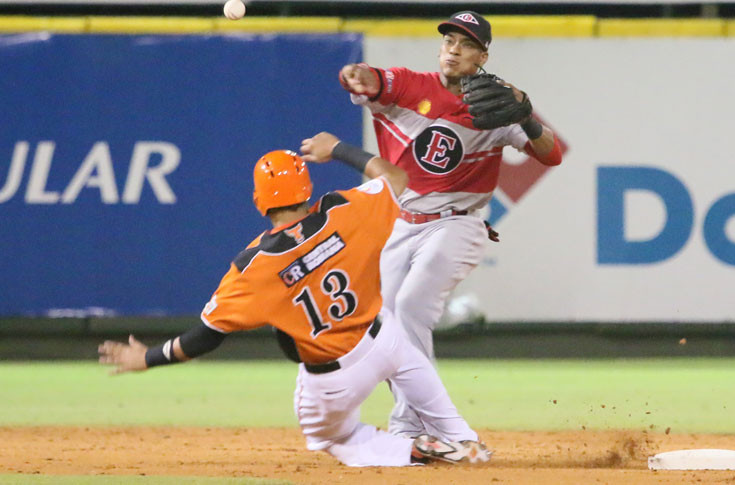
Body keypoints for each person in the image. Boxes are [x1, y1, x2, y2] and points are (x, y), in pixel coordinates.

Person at [97, 132, 491, 467]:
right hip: (384, 340)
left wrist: (148, 358)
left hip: (335, 378)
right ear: (307, 189)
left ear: (258, 201)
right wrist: (337, 149)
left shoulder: (255, 266)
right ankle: (461, 437)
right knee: (403, 352)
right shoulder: (345, 209)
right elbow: (395, 177)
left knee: (333, 438)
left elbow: (206, 336)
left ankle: (413, 450)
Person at [338, 11, 563, 437]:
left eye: (466, 44)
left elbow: (551, 154)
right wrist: (355, 74)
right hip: (401, 224)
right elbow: (369, 79)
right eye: (449, 41)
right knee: (384, 325)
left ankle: (418, 427)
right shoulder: (409, 85)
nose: (454, 50)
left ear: (483, 56)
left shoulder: (497, 104)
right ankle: (418, 423)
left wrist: (528, 118)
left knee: (411, 307)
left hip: (456, 224)